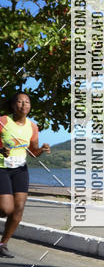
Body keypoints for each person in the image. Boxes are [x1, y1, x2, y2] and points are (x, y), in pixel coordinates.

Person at [0, 92, 51, 258]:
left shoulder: (32, 127)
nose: (23, 105)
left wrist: (42, 149)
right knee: (6, 209)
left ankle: (3, 244)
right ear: (13, 105)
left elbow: (33, 153)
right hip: (1, 168)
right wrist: (1, 150)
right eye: (20, 102)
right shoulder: (3, 121)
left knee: (19, 208)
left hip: (20, 170)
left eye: (27, 102)